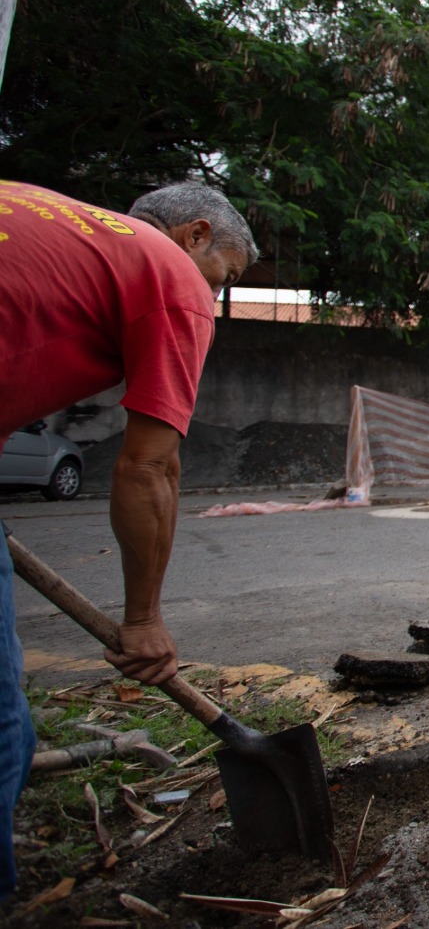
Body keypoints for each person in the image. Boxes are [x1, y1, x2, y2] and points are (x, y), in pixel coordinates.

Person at [0, 180, 256, 902]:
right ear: (194, 236)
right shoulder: (170, 275)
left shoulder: (47, 218)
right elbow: (150, 464)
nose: (215, 303)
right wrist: (142, 619)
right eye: (225, 280)